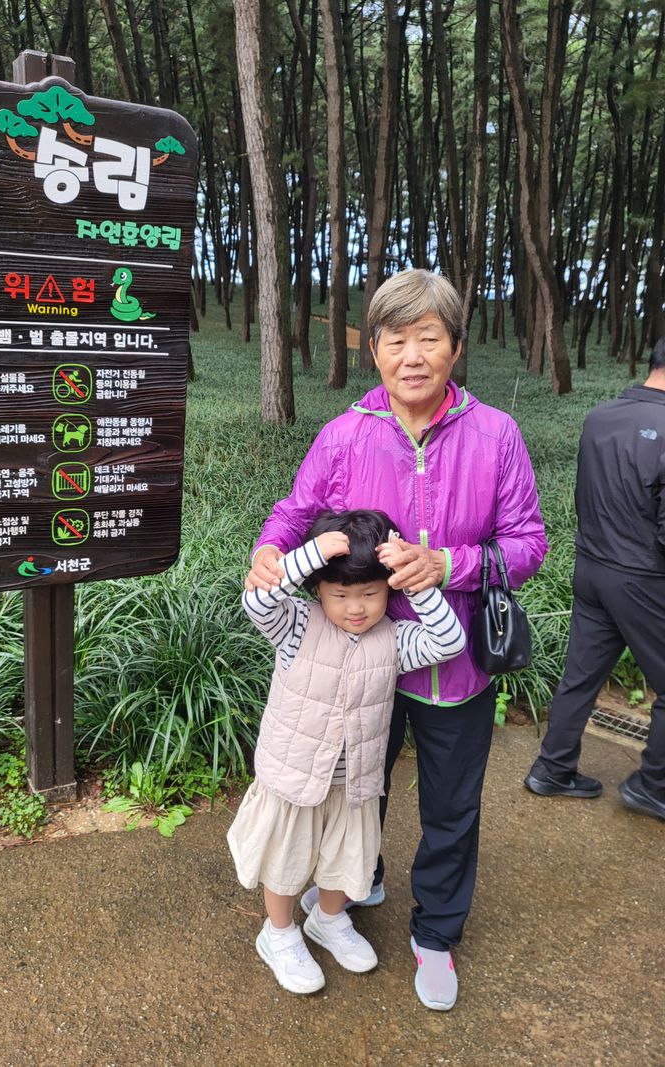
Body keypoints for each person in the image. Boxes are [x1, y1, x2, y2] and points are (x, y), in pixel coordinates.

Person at [246, 269, 547, 1010]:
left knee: (452, 808)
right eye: (396, 340)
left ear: (455, 347)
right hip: (358, 664)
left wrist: (449, 565)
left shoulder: (496, 434)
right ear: (375, 349)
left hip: (455, 662)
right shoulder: (345, 434)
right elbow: (296, 510)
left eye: (429, 338)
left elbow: (529, 545)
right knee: (354, 794)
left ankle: (436, 933)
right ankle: (352, 887)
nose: (413, 356)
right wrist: (270, 547)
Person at [229, 508, 466, 996]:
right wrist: (310, 554)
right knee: (286, 859)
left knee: (345, 856)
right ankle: (279, 933)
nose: (355, 608)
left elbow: (449, 641)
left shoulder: (395, 639)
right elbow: (257, 601)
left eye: (370, 593)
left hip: (354, 778)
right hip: (294, 776)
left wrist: (413, 578)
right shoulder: (296, 625)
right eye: (339, 594)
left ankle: (329, 919)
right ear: (318, 590)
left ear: (389, 591)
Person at [525, 337, 665, 820]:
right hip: (643, 577)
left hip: (590, 567)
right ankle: (655, 785)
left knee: (580, 677)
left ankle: (552, 769)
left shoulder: (600, 416)